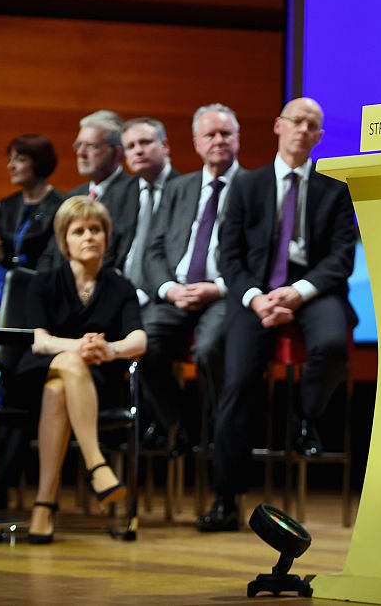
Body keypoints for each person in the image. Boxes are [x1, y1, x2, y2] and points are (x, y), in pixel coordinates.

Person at [198, 97, 357, 532]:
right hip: (255, 295)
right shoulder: (247, 186)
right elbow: (228, 255)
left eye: (312, 126)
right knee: (238, 383)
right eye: (296, 122)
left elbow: (342, 258)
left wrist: (296, 293)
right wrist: (256, 297)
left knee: (329, 344)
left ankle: (307, 420)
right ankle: (226, 498)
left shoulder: (334, 188)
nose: (303, 130)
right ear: (277, 126)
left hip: (313, 290)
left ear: (319, 137)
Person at [14, 196, 147, 544]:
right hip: (37, 372)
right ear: (65, 240)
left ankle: (44, 504)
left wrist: (110, 348)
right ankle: (96, 464)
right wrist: (80, 347)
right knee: (64, 371)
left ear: (106, 236)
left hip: (95, 384)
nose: (88, 236)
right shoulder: (43, 282)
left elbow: (139, 339)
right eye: (79, 231)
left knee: (58, 390)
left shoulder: (120, 285)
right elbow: (40, 341)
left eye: (95, 229)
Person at [139, 104, 243, 452]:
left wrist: (218, 288)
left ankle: (219, 433)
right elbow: (153, 249)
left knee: (211, 350)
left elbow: (262, 256)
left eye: (225, 133)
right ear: (196, 143)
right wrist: (169, 290)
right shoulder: (179, 187)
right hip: (176, 294)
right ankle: (183, 422)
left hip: (223, 295)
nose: (218, 141)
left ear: (237, 139)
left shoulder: (253, 186)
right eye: (210, 135)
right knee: (144, 345)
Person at [36, 110, 135, 272]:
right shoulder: (73, 196)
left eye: (91, 146)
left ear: (116, 152)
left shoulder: (134, 193)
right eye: (78, 145)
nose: (80, 153)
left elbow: (114, 254)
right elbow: (52, 252)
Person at [113, 116, 180, 305]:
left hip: (162, 295)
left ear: (165, 146)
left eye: (145, 142)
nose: (138, 151)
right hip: (120, 291)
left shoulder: (185, 191)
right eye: (131, 146)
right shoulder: (121, 193)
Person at [0, 134, 64, 270]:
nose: (11, 166)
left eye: (20, 160)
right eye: (10, 159)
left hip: (44, 281)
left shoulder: (61, 205)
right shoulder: (6, 206)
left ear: (39, 162)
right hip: (8, 281)